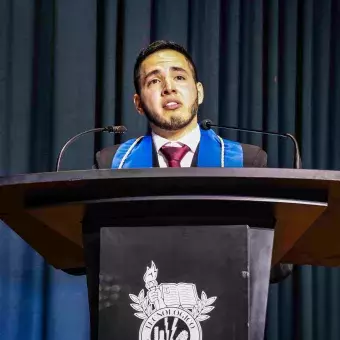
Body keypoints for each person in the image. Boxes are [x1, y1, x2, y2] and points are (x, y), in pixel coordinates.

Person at [94, 40, 292, 283]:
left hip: (225, 311)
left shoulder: (246, 162)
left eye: (179, 77)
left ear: (199, 92)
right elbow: (86, 255)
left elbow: (277, 265)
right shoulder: (112, 164)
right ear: (138, 104)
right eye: (154, 81)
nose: (168, 88)